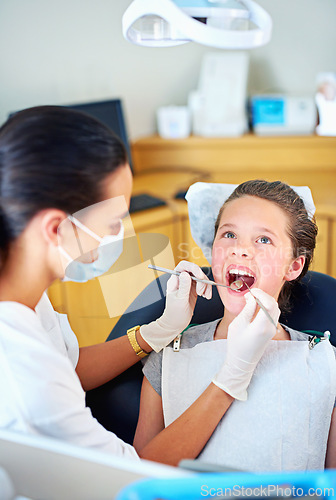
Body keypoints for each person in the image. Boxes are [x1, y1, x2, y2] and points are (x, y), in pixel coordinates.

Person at [0, 107, 277, 464]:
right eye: (114, 222)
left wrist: (156, 332)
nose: (121, 234)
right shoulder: (26, 378)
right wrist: (231, 379)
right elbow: (134, 477)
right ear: (55, 228)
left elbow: (67, 365)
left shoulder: (23, 297)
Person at [134, 179, 336, 470]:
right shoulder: (169, 358)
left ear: (294, 266)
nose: (240, 249)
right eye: (228, 234)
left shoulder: (325, 364)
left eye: (263, 239)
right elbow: (139, 479)